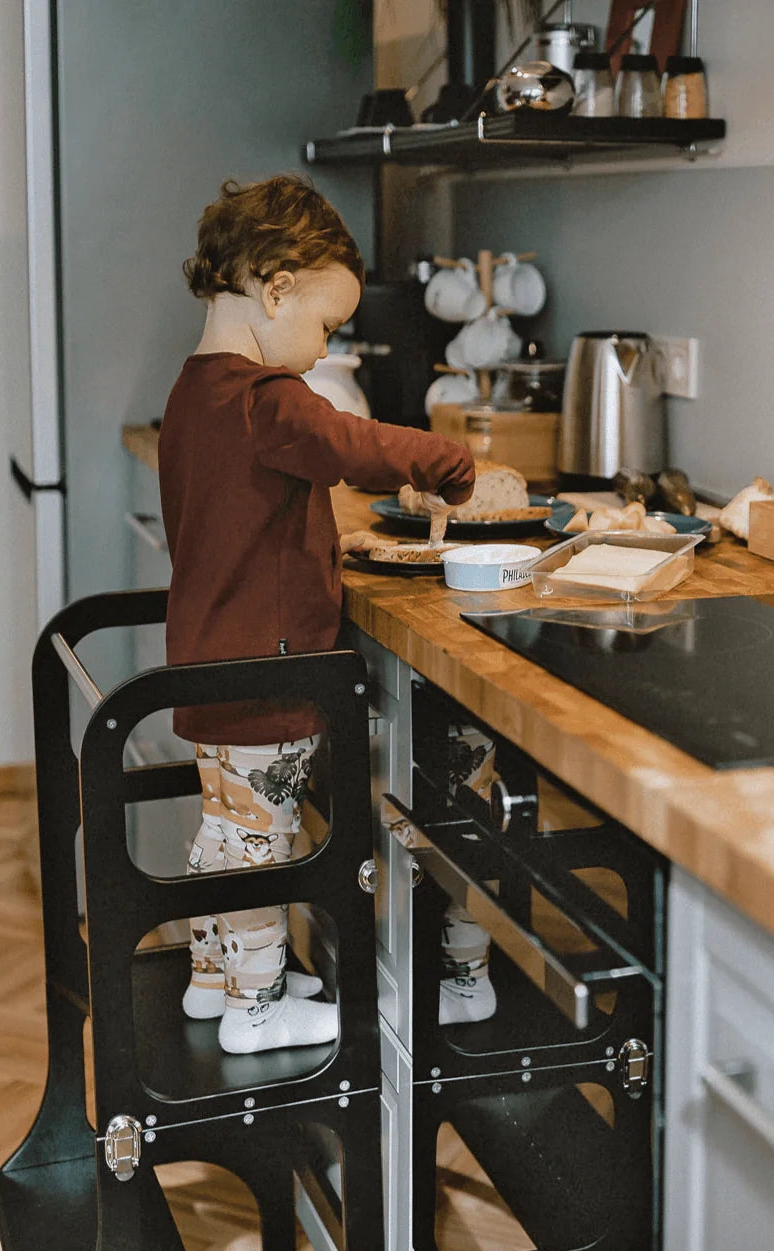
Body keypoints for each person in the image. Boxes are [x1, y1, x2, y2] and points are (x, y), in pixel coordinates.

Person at [158, 174, 494, 1054]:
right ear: (276, 287)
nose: (320, 349)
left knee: (227, 830)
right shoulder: (264, 399)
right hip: (267, 671)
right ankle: (257, 1011)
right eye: (326, 326)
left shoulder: (195, 393)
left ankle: (215, 978)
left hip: (209, 659)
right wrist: (451, 465)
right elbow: (354, 444)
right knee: (262, 841)